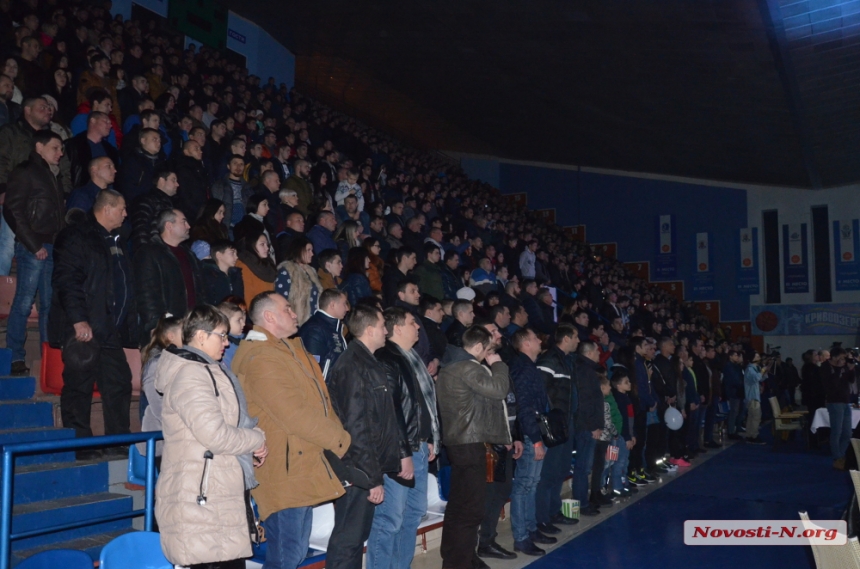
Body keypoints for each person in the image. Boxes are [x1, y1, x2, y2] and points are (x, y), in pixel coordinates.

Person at [233, 291, 351, 569]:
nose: (296, 313)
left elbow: (323, 402)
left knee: (294, 553)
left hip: (300, 463)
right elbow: (294, 414)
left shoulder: (288, 348)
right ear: (270, 317)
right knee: (287, 555)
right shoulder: (261, 357)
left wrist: (337, 436)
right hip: (283, 468)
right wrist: (343, 441)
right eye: (288, 309)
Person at [155, 305, 268, 569]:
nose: (227, 343)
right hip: (201, 497)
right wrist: (255, 439)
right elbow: (215, 435)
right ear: (201, 337)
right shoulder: (190, 374)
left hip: (215, 491)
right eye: (222, 335)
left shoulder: (206, 370)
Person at [51, 189, 138, 453]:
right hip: (84, 328)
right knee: (79, 386)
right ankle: (81, 446)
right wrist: (79, 320)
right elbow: (67, 281)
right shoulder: (76, 236)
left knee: (119, 383)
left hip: (109, 327)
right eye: (122, 208)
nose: (126, 214)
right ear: (107, 208)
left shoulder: (117, 240)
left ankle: (117, 442)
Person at [326, 304, 404, 569]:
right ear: (370, 330)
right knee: (348, 540)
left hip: (364, 467)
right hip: (356, 468)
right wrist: (371, 477)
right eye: (383, 325)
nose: (386, 330)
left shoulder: (365, 361)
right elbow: (357, 426)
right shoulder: (353, 365)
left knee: (355, 538)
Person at [367, 307, 441, 569]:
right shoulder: (387, 358)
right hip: (400, 451)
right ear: (397, 328)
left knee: (412, 515)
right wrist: (403, 453)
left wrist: (429, 436)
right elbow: (390, 411)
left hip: (418, 445)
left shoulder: (411, 357)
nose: (418, 328)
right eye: (413, 323)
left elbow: (420, 404)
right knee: (390, 520)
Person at [437, 326, 511, 569]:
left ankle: (459, 557)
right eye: (488, 350)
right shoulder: (467, 367)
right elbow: (499, 390)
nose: (489, 354)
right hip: (469, 444)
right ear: (478, 347)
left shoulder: (451, 366)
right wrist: (498, 365)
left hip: (460, 443)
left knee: (459, 507)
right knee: (470, 511)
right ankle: (459, 563)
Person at [5, 130, 67, 374]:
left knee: (49, 305)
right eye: (55, 148)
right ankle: (15, 358)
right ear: (39, 147)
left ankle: (47, 359)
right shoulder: (26, 171)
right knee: (23, 301)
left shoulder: (53, 176)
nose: (60, 153)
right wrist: (33, 245)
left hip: (50, 246)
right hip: (35, 248)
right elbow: (12, 210)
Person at [508, 328, 554, 556]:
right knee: (524, 484)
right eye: (536, 337)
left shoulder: (529, 367)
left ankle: (531, 528)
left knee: (531, 483)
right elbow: (524, 406)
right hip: (530, 433)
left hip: (534, 432)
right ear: (526, 343)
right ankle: (522, 536)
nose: (539, 339)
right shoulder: (522, 369)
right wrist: (535, 439)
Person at [534, 325, 580, 532]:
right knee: (549, 472)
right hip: (554, 422)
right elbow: (541, 393)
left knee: (560, 469)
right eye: (576, 337)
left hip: (565, 421)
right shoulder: (549, 360)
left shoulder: (565, 361)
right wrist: (550, 418)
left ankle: (554, 511)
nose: (578, 341)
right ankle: (542, 518)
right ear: (567, 338)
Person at [134, 209, 202, 339]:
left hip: (191, 326)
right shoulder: (149, 253)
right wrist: (155, 324)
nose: (189, 226)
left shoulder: (189, 255)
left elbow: (200, 290)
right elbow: (146, 293)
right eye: (183, 222)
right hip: (167, 328)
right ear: (169, 226)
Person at [139, 314, 184, 447]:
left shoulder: (174, 359)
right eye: (184, 332)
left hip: (172, 435)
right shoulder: (157, 363)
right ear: (171, 336)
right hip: (161, 436)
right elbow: (157, 402)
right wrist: (178, 425)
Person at [572, 341, 604, 516]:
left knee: (584, 466)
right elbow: (587, 401)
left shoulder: (586, 370)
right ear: (589, 352)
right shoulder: (585, 371)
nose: (599, 353)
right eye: (597, 350)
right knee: (583, 467)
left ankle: (583, 501)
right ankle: (582, 503)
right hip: (586, 426)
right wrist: (594, 425)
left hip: (586, 424)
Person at [298, 288, 349, 379]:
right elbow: (312, 368)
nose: (347, 308)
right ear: (332, 305)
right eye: (344, 303)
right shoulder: (314, 329)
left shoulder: (332, 327)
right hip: (325, 391)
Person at [821, 347, 858, 470]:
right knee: (836, 431)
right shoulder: (826, 367)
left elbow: (851, 380)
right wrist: (838, 370)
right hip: (834, 402)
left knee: (848, 432)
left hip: (845, 401)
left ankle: (841, 455)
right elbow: (831, 385)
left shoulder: (844, 366)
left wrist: (851, 369)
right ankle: (837, 457)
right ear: (835, 357)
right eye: (842, 358)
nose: (844, 360)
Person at [275, 237, 323, 326]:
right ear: (299, 250)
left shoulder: (311, 271)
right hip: (297, 322)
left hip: (313, 321)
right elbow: (280, 299)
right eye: (308, 250)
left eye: (312, 250)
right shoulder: (287, 271)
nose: (312, 254)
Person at [64, 111, 118, 188]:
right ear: (93, 121)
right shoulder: (73, 146)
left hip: (107, 196)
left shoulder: (110, 150)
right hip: (83, 196)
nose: (110, 125)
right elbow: (65, 173)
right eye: (106, 121)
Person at [129, 170, 178, 251]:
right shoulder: (146, 199)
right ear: (162, 181)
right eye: (173, 180)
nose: (177, 184)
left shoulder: (171, 204)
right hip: (156, 251)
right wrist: (146, 253)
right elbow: (140, 227)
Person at [211, 155, 253, 232]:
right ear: (228, 166)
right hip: (227, 227)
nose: (238, 167)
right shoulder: (219, 185)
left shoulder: (248, 187)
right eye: (235, 163)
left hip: (245, 228)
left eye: (241, 164)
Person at [236, 231, 277, 304]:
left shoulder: (267, 264)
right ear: (251, 245)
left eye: (267, 244)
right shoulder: (244, 265)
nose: (267, 248)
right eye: (262, 244)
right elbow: (247, 296)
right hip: (256, 310)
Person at [201, 240, 245, 305]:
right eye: (232, 253)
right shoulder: (208, 276)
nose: (236, 257)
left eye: (236, 253)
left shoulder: (236, 274)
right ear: (219, 255)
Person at [743, 351, 769, 446]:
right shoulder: (750, 369)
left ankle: (749, 434)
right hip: (752, 396)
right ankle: (753, 435)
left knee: (751, 417)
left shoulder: (754, 368)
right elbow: (756, 378)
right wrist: (762, 371)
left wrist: (764, 372)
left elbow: (761, 378)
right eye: (757, 355)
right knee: (756, 417)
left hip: (754, 395)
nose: (759, 357)